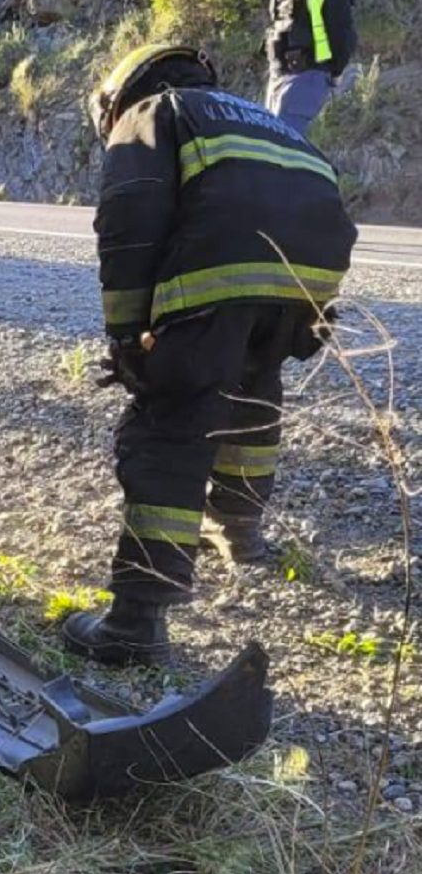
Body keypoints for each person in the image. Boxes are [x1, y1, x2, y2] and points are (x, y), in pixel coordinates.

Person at [63, 44, 356, 666]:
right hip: (307, 279)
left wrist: (128, 342)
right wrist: (312, 311)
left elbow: (129, 224)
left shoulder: (150, 113)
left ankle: (136, 622)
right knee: (252, 396)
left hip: (227, 272)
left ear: (118, 97)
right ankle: (242, 534)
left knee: (172, 421)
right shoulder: (258, 116)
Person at [264, 0, 355, 136]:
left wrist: (336, 72)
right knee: (270, 138)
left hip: (308, 74)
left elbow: (342, 34)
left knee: (283, 143)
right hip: (279, 75)